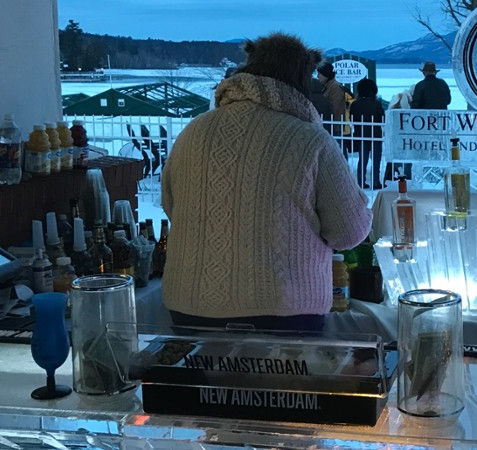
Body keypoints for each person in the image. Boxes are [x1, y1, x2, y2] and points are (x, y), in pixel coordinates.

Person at [161, 33, 372, 332]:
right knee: (284, 380)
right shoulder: (310, 140)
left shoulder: (194, 131)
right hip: (283, 314)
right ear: (303, 79)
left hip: (190, 308)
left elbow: (172, 206)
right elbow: (348, 232)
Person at [350, 78, 385, 190]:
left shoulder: (355, 104)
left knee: (362, 159)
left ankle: (361, 181)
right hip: (375, 134)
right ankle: (376, 181)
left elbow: (353, 119)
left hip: (361, 134)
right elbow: (381, 119)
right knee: (376, 159)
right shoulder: (377, 104)